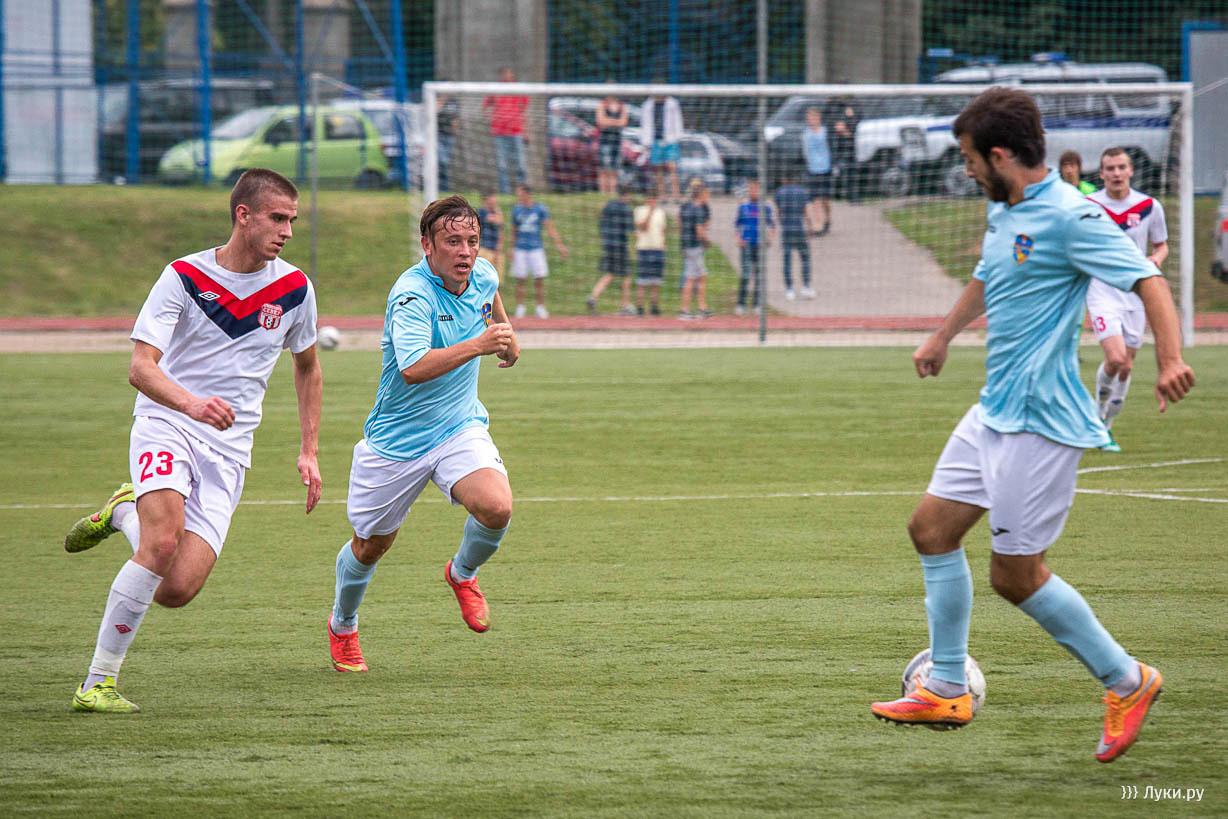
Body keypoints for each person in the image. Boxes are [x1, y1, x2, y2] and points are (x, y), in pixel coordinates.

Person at [868, 88, 1194, 765]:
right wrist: (941, 336)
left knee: (1015, 576)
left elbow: (1149, 281)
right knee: (931, 530)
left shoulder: (1074, 215)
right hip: (994, 409)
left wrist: (1169, 360)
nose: (964, 171)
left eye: (968, 159)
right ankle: (946, 687)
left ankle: (1127, 680)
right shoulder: (1005, 208)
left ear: (999, 155)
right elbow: (988, 278)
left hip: (1041, 424)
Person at [63, 168, 323, 713]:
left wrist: (309, 450)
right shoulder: (183, 276)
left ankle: (123, 511)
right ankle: (97, 682)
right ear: (243, 215)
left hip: (229, 451)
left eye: (292, 221)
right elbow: (141, 368)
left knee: (175, 589)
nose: (287, 232)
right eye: (277, 218)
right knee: (161, 545)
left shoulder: (295, 289)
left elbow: (307, 367)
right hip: (168, 423)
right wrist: (191, 405)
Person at [326, 195, 520, 673]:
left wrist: (506, 335)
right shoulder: (411, 296)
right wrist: (480, 344)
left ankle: (462, 573)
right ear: (427, 246)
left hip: (458, 426)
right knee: (370, 547)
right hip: (397, 442)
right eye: (452, 241)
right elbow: (412, 368)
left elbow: (491, 298)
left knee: (497, 506)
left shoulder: (483, 273)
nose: (465, 251)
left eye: (472, 240)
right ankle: (343, 624)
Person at [1085, 147, 1169, 453]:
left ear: (1131, 171)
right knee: (1116, 357)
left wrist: (1156, 259)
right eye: (1110, 168)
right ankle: (1095, 419)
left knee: (1126, 366)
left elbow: (1161, 245)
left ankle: (1106, 427)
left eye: (1122, 167)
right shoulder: (1089, 206)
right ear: (1102, 174)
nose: (1117, 173)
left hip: (1135, 294)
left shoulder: (1149, 206)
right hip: (1101, 289)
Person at [509, 184, 568, 319]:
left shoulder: (540, 209)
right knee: (520, 279)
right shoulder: (517, 210)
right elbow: (513, 231)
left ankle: (540, 306)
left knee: (539, 278)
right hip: (520, 249)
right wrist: (511, 248)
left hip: (536, 248)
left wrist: (560, 246)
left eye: (520, 193)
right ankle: (520, 307)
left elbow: (550, 228)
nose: (518, 196)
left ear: (527, 194)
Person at [588, 186, 636, 315]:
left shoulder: (609, 205)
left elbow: (601, 223)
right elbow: (632, 230)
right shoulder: (626, 208)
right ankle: (625, 305)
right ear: (628, 194)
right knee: (626, 275)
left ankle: (593, 296)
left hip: (608, 244)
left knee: (610, 274)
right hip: (620, 245)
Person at [482, 67, 529, 194]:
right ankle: (505, 192)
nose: (507, 76)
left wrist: (526, 132)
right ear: (501, 76)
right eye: (505, 74)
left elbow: (524, 112)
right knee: (502, 165)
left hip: (516, 132)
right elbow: (485, 107)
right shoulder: (495, 90)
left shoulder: (518, 90)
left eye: (509, 74)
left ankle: (523, 192)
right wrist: (491, 119)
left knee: (521, 164)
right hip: (499, 133)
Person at [734, 178, 775, 315]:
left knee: (759, 275)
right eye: (750, 189)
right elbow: (737, 224)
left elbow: (772, 225)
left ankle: (757, 305)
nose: (753, 191)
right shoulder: (743, 207)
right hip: (746, 245)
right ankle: (741, 304)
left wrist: (770, 238)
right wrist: (738, 238)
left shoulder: (766, 207)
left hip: (760, 245)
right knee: (746, 275)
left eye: (755, 189)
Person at [775, 174, 816, 300]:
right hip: (799, 229)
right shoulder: (802, 192)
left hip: (787, 229)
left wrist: (780, 223)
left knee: (787, 260)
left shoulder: (779, 192)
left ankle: (789, 289)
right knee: (805, 258)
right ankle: (806, 287)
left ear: (784, 179)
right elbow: (806, 211)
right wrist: (810, 226)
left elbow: (778, 212)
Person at [678, 178, 714, 318]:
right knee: (692, 278)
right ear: (701, 194)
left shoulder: (687, 207)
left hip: (687, 246)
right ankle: (685, 310)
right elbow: (699, 231)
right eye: (706, 193)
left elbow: (680, 223)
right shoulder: (698, 209)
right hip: (694, 247)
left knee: (699, 276)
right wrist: (707, 241)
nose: (708, 196)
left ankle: (700, 308)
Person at [640, 95, 683, 202]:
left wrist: (678, 137)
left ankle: (676, 196)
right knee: (658, 169)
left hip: (670, 140)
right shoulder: (647, 105)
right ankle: (663, 196)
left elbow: (678, 120)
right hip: (655, 140)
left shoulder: (673, 103)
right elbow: (645, 124)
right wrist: (645, 143)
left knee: (672, 167)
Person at [633, 189, 668, 315]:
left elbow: (663, 230)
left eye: (655, 198)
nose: (653, 201)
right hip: (644, 249)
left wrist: (663, 245)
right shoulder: (639, 210)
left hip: (657, 249)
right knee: (642, 281)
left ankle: (654, 306)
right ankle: (640, 307)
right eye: (651, 198)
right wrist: (650, 212)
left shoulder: (661, 212)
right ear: (646, 199)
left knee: (656, 281)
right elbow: (643, 227)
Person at [802, 107, 832, 235]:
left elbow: (831, 148)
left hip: (825, 168)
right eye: (809, 117)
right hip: (812, 170)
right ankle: (818, 226)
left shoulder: (825, 132)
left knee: (825, 200)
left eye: (813, 117)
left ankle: (828, 219)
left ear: (818, 118)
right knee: (815, 199)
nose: (811, 120)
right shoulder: (805, 134)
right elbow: (805, 151)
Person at [595, 83, 629, 196]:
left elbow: (624, 122)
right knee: (604, 168)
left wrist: (608, 121)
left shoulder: (621, 105)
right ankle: (603, 193)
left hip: (617, 141)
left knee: (614, 168)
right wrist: (616, 122)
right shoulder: (602, 104)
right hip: (605, 140)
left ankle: (612, 193)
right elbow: (601, 122)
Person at [826, 96, 859, 200]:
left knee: (850, 170)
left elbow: (856, 123)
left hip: (849, 144)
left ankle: (852, 196)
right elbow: (828, 122)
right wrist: (837, 128)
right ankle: (835, 195)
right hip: (834, 144)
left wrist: (846, 129)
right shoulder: (831, 106)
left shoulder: (853, 105)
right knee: (835, 169)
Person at [436, 94, 460, 192]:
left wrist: (455, 131)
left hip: (449, 136)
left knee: (447, 163)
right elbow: (433, 113)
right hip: (437, 136)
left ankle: (445, 187)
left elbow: (455, 118)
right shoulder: (435, 100)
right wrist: (441, 101)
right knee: (442, 161)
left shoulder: (453, 102)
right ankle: (440, 187)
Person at [476, 192, 504, 273]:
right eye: (492, 198)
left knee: (498, 276)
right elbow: (494, 220)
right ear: (485, 199)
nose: (494, 201)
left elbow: (500, 230)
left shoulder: (496, 212)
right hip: (484, 249)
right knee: (484, 274)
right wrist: (498, 214)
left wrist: (499, 247)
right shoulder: (481, 212)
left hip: (496, 250)